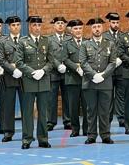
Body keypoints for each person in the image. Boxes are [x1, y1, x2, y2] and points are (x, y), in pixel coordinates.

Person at [14, 16, 54, 149]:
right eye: (34, 25)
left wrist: (43, 71)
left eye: (39, 25)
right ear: (30, 26)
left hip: (43, 81)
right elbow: (19, 62)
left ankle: (43, 139)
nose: (37, 28)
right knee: (27, 112)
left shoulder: (46, 41)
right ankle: (27, 139)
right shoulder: (22, 42)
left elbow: (51, 61)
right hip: (28, 81)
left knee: (43, 112)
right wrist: (32, 72)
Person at [80, 17, 117, 144]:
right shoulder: (85, 44)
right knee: (91, 111)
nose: (97, 29)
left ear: (103, 28)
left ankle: (105, 135)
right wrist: (93, 75)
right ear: (91, 29)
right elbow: (83, 62)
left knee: (105, 111)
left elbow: (112, 62)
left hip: (105, 82)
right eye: (94, 27)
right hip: (90, 82)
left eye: (99, 26)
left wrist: (103, 75)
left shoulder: (110, 44)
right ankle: (91, 135)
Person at [63, 19, 88, 137]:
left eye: (79, 28)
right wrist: (76, 67)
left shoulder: (88, 42)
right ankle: (75, 129)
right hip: (72, 79)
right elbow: (65, 59)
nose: (78, 31)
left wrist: (83, 67)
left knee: (87, 105)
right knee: (73, 107)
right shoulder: (66, 44)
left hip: (86, 79)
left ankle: (87, 129)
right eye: (75, 29)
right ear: (71, 30)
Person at [47, 16, 70, 131]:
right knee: (51, 98)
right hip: (54, 73)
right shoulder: (49, 39)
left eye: (62, 23)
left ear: (65, 25)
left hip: (67, 72)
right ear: (54, 26)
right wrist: (58, 65)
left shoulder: (70, 38)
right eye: (58, 23)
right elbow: (49, 55)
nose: (60, 25)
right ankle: (50, 122)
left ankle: (68, 120)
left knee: (68, 97)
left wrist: (66, 64)